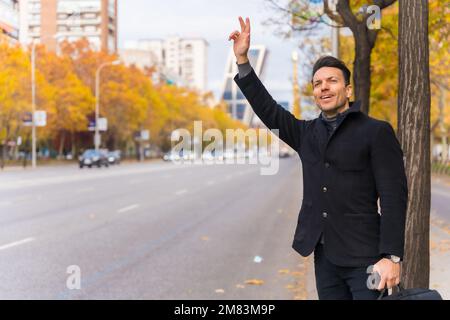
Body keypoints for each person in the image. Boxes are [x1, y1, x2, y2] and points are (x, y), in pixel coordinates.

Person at [228, 17, 408, 300]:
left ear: (347, 90)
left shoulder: (376, 132)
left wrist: (392, 257)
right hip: (325, 257)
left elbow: (394, 196)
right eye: (317, 83)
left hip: (368, 260)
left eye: (332, 81)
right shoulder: (306, 133)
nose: (324, 87)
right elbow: (269, 110)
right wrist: (242, 60)